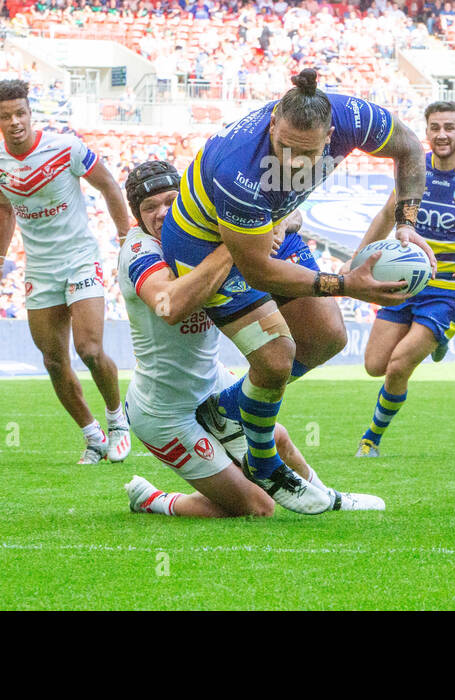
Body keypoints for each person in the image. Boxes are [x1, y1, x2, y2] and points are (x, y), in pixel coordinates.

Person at [159, 68, 434, 513]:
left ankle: (223, 410)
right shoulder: (239, 170)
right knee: (275, 356)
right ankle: (265, 464)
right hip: (204, 242)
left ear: (331, 135)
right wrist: (347, 285)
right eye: (283, 148)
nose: (292, 162)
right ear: (272, 124)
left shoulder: (354, 118)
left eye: (306, 153)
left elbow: (409, 147)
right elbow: (258, 271)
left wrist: (406, 222)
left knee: (327, 337)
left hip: (269, 223)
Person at [117, 161, 381, 516]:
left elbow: (291, 215)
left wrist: (273, 225)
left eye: (170, 201)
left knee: (279, 439)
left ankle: (330, 500)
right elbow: (170, 306)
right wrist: (236, 245)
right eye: (151, 208)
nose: (162, 213)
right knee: (259, 507)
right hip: (164, 411)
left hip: (211, 383)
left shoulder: (196, 229)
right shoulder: (139, 251)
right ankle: (153, 500)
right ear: (138, 217)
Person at [344, 101, 455, 456]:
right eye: (435, 127)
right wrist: (356, 259)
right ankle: (437, 342)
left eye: (449, 127)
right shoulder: (414, 170)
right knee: (374, 365)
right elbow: (387, 215)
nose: (442, 134)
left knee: (398, 365)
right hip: (405, 281)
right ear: (427, 132)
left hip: (449, 290)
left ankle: (370, 439)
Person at [0, 79, 134, 465]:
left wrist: (125, 237)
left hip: (80, 258)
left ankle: (117, 421)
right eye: (6, 116)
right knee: (52, 360)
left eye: (20, 113)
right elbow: (3, 208)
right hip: (41, 268)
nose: (14, 121)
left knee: (90, 349)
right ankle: (93, 435)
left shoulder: (65, 147)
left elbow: (110, 186)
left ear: (30, 113)